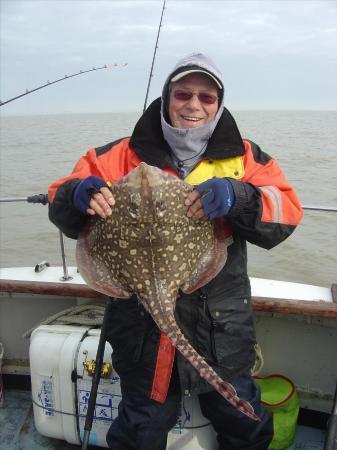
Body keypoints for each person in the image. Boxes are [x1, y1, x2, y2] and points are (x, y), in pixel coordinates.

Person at [48, 53, 303, 450]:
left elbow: (286, 213)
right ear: (167, 98)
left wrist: (239, 197)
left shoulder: (245, 157)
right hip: (141, 332)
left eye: (207, 97)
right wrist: (75, 195)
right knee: (140, 429)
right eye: (183, 94)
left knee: (243, 423)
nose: (194, 105)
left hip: (221, 328)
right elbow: (59, 199)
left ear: (219, 104)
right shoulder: (116, 155)